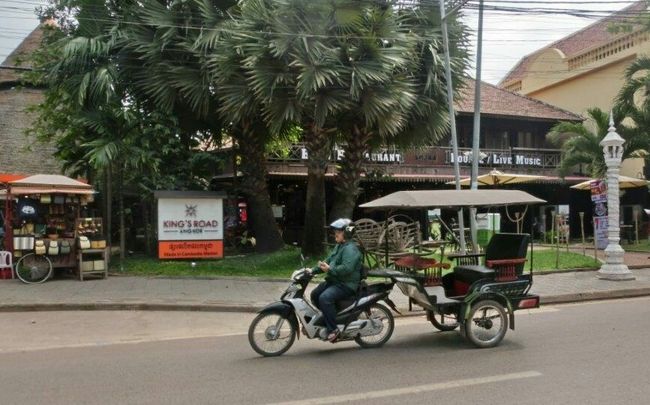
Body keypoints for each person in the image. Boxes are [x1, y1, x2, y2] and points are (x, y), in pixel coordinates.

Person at [310, 218, 362, 342]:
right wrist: (311, 270)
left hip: (347, 284)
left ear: (347, 233)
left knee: (325, 298)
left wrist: (329, 270)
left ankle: (334, 329)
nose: (335, 234)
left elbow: (347, 269)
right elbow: (328, 261)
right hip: (336, 281)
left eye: (338, 232)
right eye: (335, 232)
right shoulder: (339, 246)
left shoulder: (351, 249)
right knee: (315, 294)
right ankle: (330, 317)